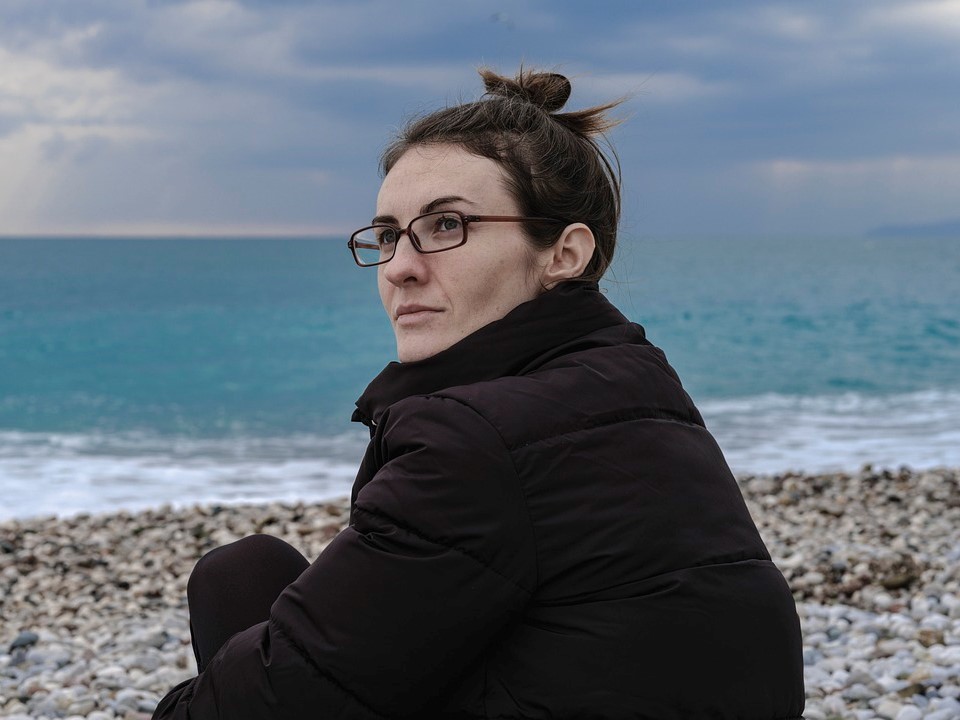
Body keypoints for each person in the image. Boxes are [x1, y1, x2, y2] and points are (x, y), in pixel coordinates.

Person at [154, 67, 805, 719]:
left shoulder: (479, 437)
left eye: (446, 227)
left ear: (564, 254)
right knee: (247, 571)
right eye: (388, 235)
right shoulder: (629, 381)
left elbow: (289, 692)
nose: (401, 267)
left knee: (241, 591)